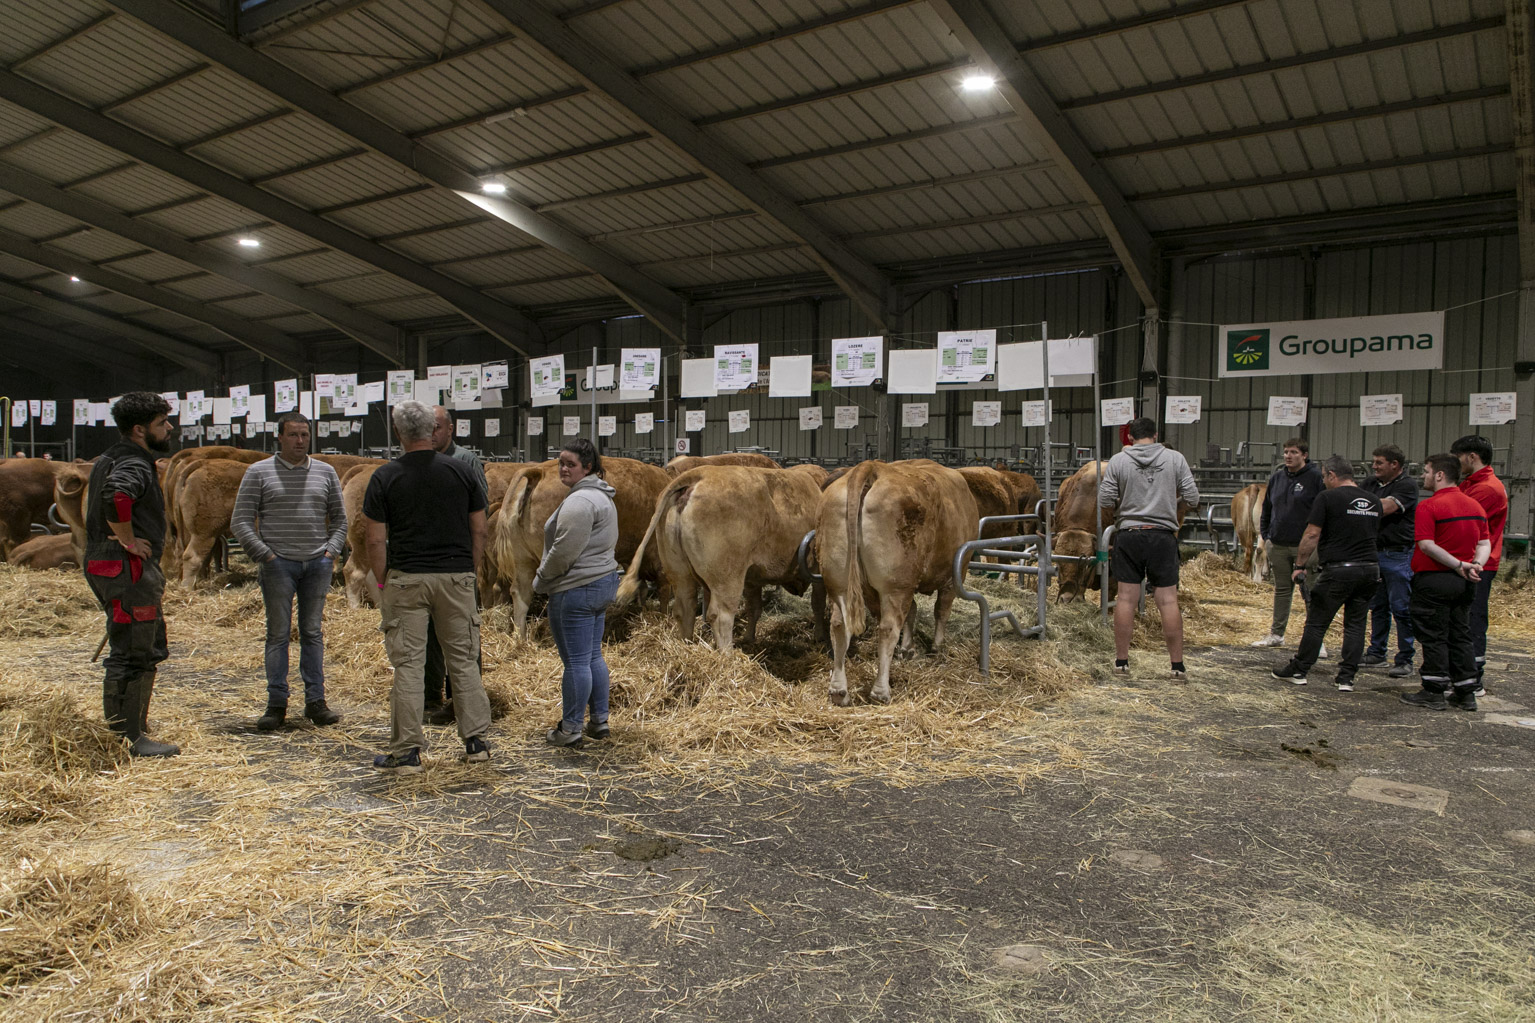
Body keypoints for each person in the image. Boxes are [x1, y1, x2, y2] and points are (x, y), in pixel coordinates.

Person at [361, 400, 493, 772]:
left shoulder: (385, 477)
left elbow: (374, 540)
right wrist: (468, 569)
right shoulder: (462, 471)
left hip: (407, 579)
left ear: (398, 433)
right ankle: (476, 743)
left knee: (408, 665)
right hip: (455, 577)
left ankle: (407, 753)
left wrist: (384, 580)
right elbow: (480, 529)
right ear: (432, 430)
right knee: (463, 661)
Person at [231, 412, 347, 732]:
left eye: (304, 435)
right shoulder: (258, 472)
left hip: (317, 563)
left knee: (312, 632)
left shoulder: (325, 472)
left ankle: (316, 701)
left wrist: (331, 551)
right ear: (279, 437)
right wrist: (265, 554)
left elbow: (340, 519)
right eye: (293, 435)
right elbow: (240, 520)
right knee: (278, 634)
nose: (300, 441)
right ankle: (276, 703)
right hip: (278, 564)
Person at [82, 392, 179, 757]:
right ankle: (128, 736)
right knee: (134, 649)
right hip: (127, 568)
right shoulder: (135, 462)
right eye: (161, 423)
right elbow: (117, 495)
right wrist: (128, 540)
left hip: (112, 564)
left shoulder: (111, 455)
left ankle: (133, 725)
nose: (169, 428)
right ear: (140, 429)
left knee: (143, 643)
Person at [1096, 417, 1200, 681]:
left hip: (1129, 535)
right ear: (1155, 435)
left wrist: (1126, 503)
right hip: (1162, 536)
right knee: (1168, 600)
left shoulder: (1119, 461)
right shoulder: (1175, 458)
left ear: (1130, 438)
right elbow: (1193, 498)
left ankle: (1121, 663)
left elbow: (1104, 499)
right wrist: (1168, 502)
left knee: (1125, 599)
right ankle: (1177, 667)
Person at [535, 439, 621, 744]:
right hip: (600, 582)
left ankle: (570, 729)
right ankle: (599, 721)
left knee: (576, 662)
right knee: (592, 656)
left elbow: (563, 552)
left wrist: (541, 580)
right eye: (561, 463)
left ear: (588, 467)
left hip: (577, 587)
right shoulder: (602, 497)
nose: (563, 469)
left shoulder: (580, 501)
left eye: (570, 464)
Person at [1269, 456, 1381, 690]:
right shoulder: (1373, 500)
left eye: (1324, 477)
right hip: (1369, 569)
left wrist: (1299, 565)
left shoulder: (1328, 497)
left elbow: (1312, 534)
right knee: (1356, 624)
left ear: (1332, 474)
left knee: (1317, 622)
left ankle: (1299, 669)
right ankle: (1347, 677)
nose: (1323, 481)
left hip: (1339, 569)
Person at [1400, 454, 1489, 712]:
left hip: (1435, 580)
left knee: (1434, 635)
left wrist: (1457, 564)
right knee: (1460, 634)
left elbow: (1427, 545)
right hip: (1465, 582)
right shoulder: (1475, 506)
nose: (1423, 476)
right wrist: (1475, 565)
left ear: (1439, 475)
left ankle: (1434, 690)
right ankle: (1466, 692)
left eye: (1427, 471)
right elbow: (1485, 543)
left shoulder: (1429, 506)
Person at [420, 405, 489, 726]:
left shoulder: (466, 461)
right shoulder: (421, 461)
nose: (431, 433)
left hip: (458, 561)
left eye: (436, 426)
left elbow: (480, 514)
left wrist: (471, 562)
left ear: (450, 428)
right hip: (427, 563)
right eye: (427, 427)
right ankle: (430, 694)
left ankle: (461, 699)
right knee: (429, 631)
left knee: (463, 634)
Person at [1251, 438, 1326, 650]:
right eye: (1285, 452)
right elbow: (1267, 509)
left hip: (1305, 545)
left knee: (1311, 591)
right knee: (1282, 589)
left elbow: (1323, 510)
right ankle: (1277, 633)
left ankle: (1316, 640)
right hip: (1278, 544)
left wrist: (1315, 540)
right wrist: (1267, 535)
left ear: (1304, 455)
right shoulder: (1277, 478)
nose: (1288, 456)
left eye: (1293, 452)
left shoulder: (1315, 478)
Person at [1450, 435, 1507, 698]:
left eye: (1458, 457)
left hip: (1478, 563)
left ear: (1472, 456)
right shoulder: (1471, 484)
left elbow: (1461, 520)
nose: (1455, 463)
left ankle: (1473, 679)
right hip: (1466, 560)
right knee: (1462, 620)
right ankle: (1461, 674)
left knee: (1472, 620)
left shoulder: (1487, 489)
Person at [1361, 444, 1418, 678]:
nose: (1374, 466)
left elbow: (1385, 507)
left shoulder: (1407, 485)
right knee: (1378, 606)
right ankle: (1377, 652)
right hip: (1374, 552)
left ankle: (1405, 659)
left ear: (1395, 464)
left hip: (1398, 555)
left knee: (1401, 608)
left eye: (1379, 462)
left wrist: (1361, 506)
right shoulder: (1371, 483)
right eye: (1374, 462)